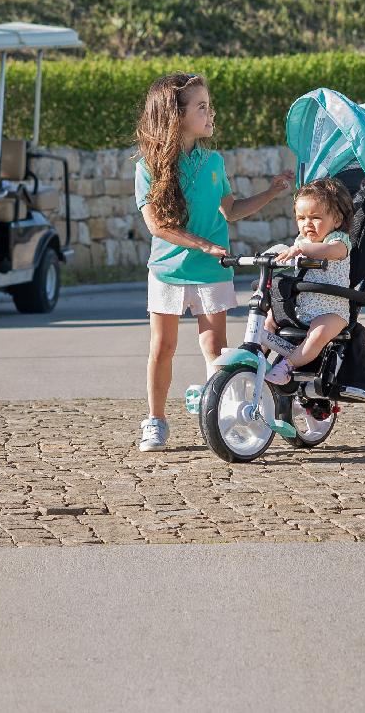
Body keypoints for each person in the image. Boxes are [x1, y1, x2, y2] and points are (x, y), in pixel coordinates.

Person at [134, 72, 290, 451]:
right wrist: (202, 244)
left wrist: (271, 193)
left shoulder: (214, 161)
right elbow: (157, 226)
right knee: (162, 348)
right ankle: (155, 420)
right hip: (168, 274)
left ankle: (220, 418)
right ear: (176, 115)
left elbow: (231, 211)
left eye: (209, 105)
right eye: (201, 106)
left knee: (216, 348)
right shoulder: (147, 167)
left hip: (212, 273)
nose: (210, 112)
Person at [255, 177, 356, 386]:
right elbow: (285, 258)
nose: (307, 223)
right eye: (301, 218)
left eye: (315, 217)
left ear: (336, 220)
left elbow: (332, 252)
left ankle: (287, 365)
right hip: (299, 307)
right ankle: (255, 356)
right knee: (267, 319)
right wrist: (271, 258)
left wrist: (302, 249)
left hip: (331, 310)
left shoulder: (338, 240)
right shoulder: (300, 242)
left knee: (317, 334)